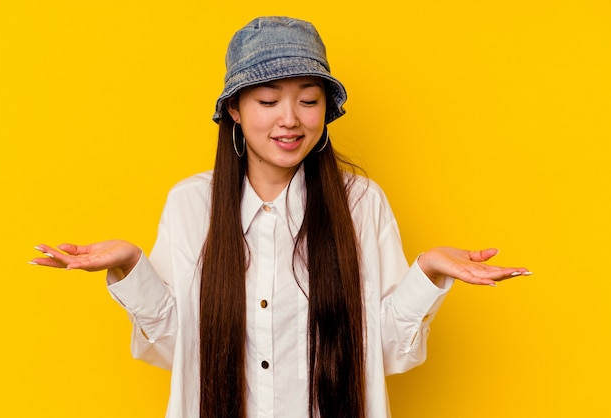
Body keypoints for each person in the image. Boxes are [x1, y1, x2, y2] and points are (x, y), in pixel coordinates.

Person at [31, 16, 531, 418]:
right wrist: (132, 266)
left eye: (308, 100)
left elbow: (385, 353)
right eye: (269, 100)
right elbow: (177, 351)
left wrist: (427, 272)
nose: (290, 119)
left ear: (325, 111)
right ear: (234, 110)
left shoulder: (362, 204)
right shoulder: (191, 205)